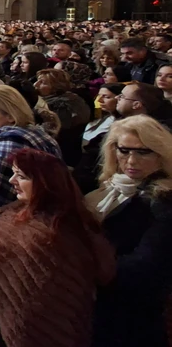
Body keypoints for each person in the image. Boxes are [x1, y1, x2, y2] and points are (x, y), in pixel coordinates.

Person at [0, 149, 114, 347]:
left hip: (35, 331)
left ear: (45, 184)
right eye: (14, 173)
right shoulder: (32, 208)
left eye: (21, 176)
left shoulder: (48, 233)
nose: (12, 180)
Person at [87, 115, 172, 347]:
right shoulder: (112, 188)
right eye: (124, 151)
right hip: (102, 308)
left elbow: (146, 267)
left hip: (133, 317)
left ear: (161, 153)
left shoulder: (163, 200)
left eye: (143, 152)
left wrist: (86, 266)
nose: (131, 160)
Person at [73, 83, 123, 194]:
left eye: (106, 97)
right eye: (99, 96)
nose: (99, 100)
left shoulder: (120, 126)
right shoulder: (102, 119)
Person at [35, 68, 90, 167]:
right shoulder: (67, 98)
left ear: (56, 87)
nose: (35, 84)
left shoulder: (62, 105)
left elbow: (54, 132)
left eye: (43, 82)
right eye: (37, 80)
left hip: (62, 154)